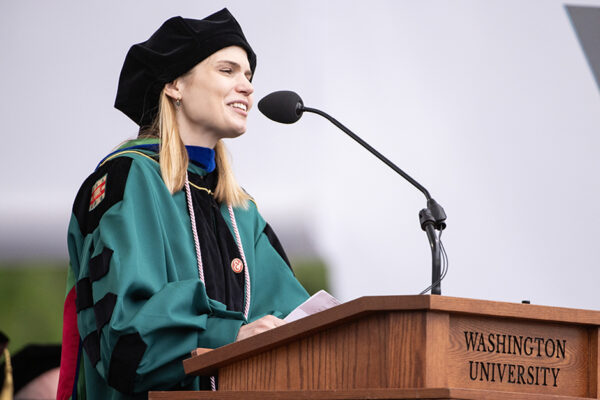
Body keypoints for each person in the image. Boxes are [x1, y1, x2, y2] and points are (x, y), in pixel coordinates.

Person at [57, 8, 309, 400]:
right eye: (228, 71)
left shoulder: (241, 211)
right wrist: (232, 334)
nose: (247, 87)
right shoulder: (129, 179)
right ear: (175, 84)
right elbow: (125, 339)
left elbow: (295, 321)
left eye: (248, 76)